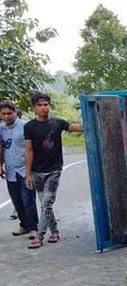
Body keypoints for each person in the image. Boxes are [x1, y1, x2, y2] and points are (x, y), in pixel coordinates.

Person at [24, 92, 84, 249]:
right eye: (40, 105)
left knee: (46, 203)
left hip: (54, 171)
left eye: (46, 104)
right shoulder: (29, 127)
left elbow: (74, 127)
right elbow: (29, 150)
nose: (44, 108)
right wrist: (28, 173)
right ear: (34, 108)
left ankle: (39, 236)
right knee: (46, 205)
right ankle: (55, 231)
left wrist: (93, 122)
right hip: (37, 172)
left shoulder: (57, 123)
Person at [0, 101, 39, 239]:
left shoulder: (25, 126)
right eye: (3, 114)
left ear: (15, 112)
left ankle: (34, 228)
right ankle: (24, 225)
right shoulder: (1, 129)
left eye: (9, 113)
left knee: (28, 199)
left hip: (25, 169)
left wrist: (32, 170)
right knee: (16, 200)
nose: (7, 116)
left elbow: (32, 148)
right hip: (10, 170)